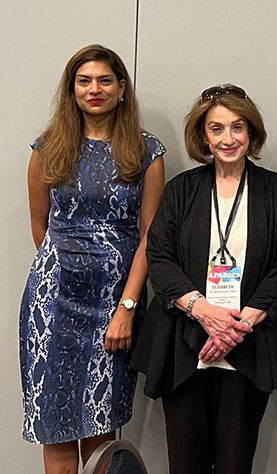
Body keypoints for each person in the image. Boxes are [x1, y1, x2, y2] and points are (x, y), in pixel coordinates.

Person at [130, 84, 277, 474]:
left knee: (234, 464)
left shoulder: (274, 190)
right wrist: (205, 313)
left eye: (237, 127)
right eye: (217, 129)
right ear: (203, 136)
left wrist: (237, 325)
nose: (228, 139)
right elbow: (160, 256)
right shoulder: (182, 190)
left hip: (247, 347)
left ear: (251, 133)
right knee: (185, 463)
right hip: (186, 345)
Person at [19, 44, 165, 473]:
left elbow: (149, 238)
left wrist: (127, 306)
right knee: (55, 424)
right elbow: (41, 228)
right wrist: (66, 271)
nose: (94, 89)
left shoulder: (146, 151)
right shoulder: (48, 147)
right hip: (53, 303)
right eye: (84, 81)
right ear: (72, 90)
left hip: (114, 305)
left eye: (104, 80)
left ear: (121, 88)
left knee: (101, 426)